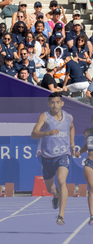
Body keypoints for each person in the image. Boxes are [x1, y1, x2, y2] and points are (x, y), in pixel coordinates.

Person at [31, 92, 76, 225]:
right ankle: (55, 195)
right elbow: (34, 134)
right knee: (50, 188)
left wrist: (72, 144)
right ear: (48, 104)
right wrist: (47, 132)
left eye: (57, 102)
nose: (55, 105)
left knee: (62, 180)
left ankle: (61, 215)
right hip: (47, 156)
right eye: (52, 102)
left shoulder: (68, 117)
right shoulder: (44, 116)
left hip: (63, 154)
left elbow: (72, 128)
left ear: (62, 103)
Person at [77, 119, 93, 225]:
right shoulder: (89, 133)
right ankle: (92, 216)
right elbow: (86, 146)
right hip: (90, 163)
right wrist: (79, 152)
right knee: (92, 188)